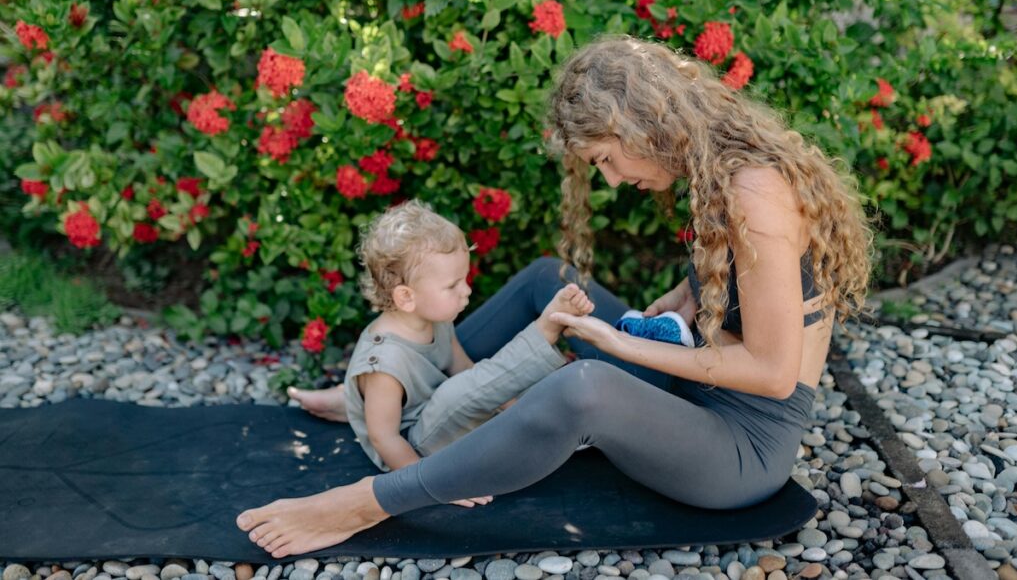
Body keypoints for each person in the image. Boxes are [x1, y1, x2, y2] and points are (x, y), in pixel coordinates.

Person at [236, 37, 872, 558]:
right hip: (696, 391)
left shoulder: (752, 190)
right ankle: (384, 384)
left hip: (739, 448)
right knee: (550, 279)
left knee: (584, 386)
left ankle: (367, 500)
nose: (614, 179)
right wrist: (679, 301)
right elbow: (739, 281)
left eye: (603, 159)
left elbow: (771, 372)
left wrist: (623, 344)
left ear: (637, 125)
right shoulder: (720, 171)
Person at [284, 200, 594, 507]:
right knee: (454, 395)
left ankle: (347, 403)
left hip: (434, 413)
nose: (467, 290)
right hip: (414, 449)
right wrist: (429, 484)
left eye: (465, 279)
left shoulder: (435, 320)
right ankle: (545, 331)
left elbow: (465, 370)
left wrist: (507, 405)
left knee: (481, 386)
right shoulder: (385, 364)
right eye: (453, 285)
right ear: (406, 297)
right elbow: (385, 439)